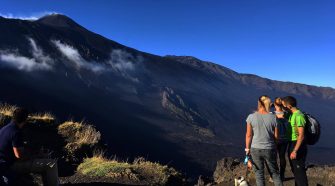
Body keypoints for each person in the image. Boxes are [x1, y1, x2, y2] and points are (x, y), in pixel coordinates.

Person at [0, 107, 59, 186]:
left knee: (44, 160)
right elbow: (19, 156)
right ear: (25, 120)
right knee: (51, 164)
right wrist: (38, 155)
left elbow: (15, 148)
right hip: (11, 165)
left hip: (3, 162)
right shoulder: (16, 133)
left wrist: (35, 152)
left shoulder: (4, 129)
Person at [245, 95, 283, 186]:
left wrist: (247, 150)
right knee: (275, 174)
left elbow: (249, 135)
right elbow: (276, 137)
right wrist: (275, 147)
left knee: (259, 175)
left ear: (259, 103)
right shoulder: (274, 118)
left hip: (255, 149)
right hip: (270, 148)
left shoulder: (251, 117)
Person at [282, 96, 308, 186]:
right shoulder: (292, 114)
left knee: (299, 172)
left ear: (289, 106)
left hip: (297, 145)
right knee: (295, 171)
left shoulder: (299, 116)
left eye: (284, 106)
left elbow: (301, 135)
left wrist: (295, 150)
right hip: (292, 143)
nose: (283, 108)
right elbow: (280, 114)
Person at [273, 97, 289, 181]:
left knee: (274, 157)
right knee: (282, 157)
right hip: (285, 139)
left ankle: (275, 177)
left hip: (275, 139)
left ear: (274, 104)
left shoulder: (272, 114)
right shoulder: (287, 114)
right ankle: (282, 176)